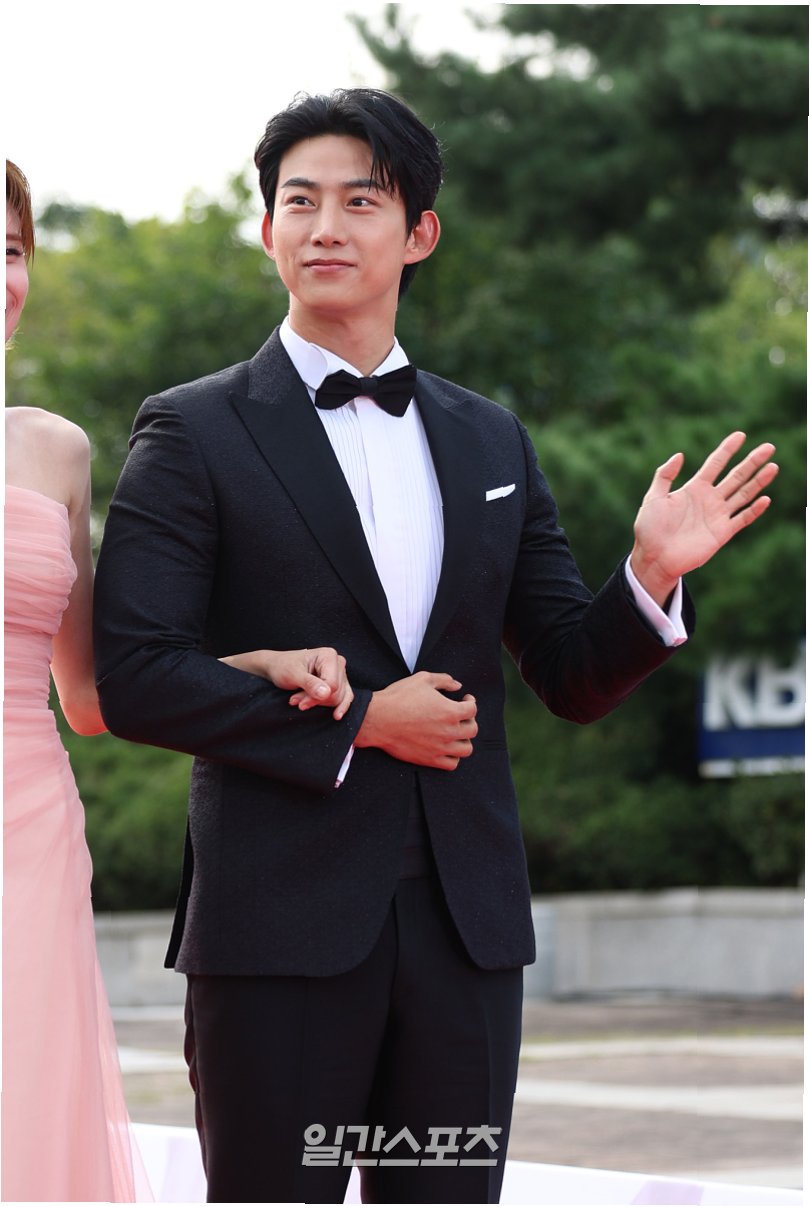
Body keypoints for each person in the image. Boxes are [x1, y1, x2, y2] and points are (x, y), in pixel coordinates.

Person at [92, 89, 777, 1205]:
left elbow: (569, 670)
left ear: (419, 233)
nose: (325, 227)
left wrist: (650, 575)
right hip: (277, 930)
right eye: (299, 201)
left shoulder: (488, 437)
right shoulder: (192, 429)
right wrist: (363, 721)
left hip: (465, 934)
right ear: (266, 229)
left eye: (360, 202)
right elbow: (134, 676)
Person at [3, 159, 354, 1203]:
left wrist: (250, 665)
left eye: (11, 250)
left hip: (24, 835)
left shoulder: (55, 454)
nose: (2, 277)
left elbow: (94, 695)